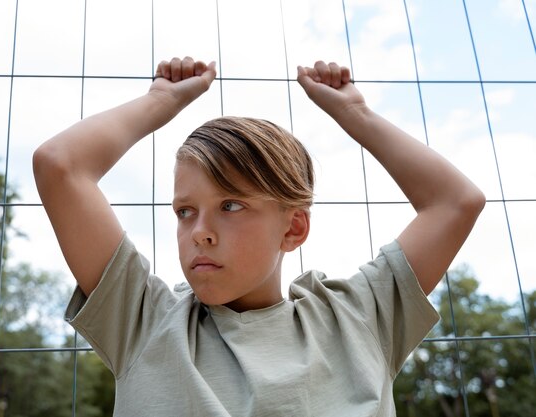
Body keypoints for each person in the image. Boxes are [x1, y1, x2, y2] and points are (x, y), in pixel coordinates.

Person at [33, 57, 485, 416]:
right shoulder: (142, 321)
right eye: (184, 211)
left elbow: (456, 201)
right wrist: (160, 101)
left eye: (230, 205)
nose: (200, 233)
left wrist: (355, 113)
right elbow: (60, 164)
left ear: (293, 228)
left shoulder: (361, 318)